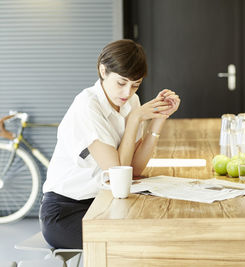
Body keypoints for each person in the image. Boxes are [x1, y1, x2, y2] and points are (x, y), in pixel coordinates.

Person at [39, 39, 180, 249]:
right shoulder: (87, 106)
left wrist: (159, 119)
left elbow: (135, 169)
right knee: (138, 244)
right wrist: (134, 119)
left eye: (136, 85)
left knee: (162, 230)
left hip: (105, 202)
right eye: (121, 83)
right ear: (103, 71)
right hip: (66, 211)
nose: (127, 92)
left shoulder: (131, 101)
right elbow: (118, 176)